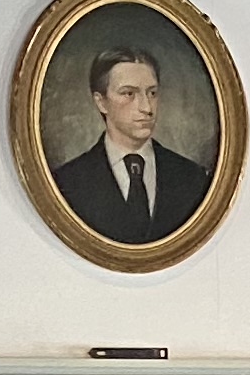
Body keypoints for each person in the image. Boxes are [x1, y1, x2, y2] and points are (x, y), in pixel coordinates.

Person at [46, 44, 213, 243]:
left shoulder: (192, 177)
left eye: (152, 93)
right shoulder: (68, 182)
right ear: (101, 102)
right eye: (129, 94)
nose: (147, 107)